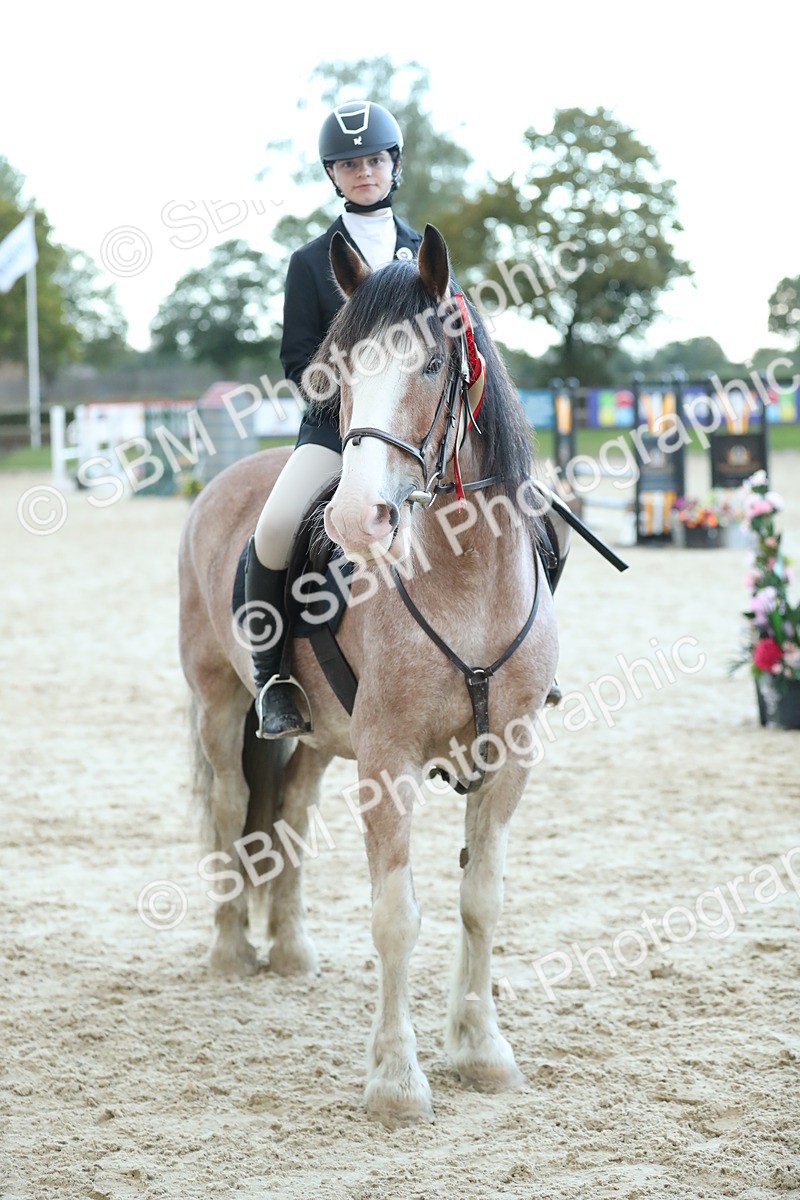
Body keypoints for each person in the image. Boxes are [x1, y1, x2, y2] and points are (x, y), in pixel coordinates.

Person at [244, 99, 424, 739]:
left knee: (529, 507)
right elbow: (298, 360)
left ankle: (520, 661)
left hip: (424, 434)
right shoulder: (308, 263)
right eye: (350, 164)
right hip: (336, 431)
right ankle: (273, 679)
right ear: (334, 174)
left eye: (374, 160)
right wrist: (352, 401)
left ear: (392, 166)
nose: (364, 172)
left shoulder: (424, 252)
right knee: (274, 528)